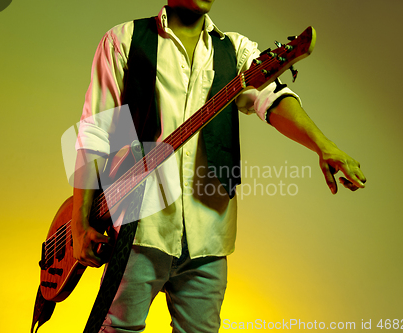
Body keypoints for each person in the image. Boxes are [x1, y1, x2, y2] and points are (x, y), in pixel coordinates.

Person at [71, 0, 367, 332]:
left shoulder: (236, 50)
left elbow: (272, 98)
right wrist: (79, 222)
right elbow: (96, 130)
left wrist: (323, 146)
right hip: (138, 231)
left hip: (208, 235)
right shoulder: (123, 40)